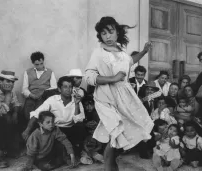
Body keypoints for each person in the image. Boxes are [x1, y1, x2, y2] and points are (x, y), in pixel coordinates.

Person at [84, 16, 154, 171]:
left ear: (117, 32)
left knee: (122, 132)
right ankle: (109, 166)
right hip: (106, 97)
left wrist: (143, 51)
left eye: (110, 32)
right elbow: (88, 76)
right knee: (115, 133)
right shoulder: (98, 53)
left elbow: (130, 61)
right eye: (103, 33)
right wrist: (112, 78)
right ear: (100, 36)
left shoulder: (121, 51)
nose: (107, 36)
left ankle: (111, 163)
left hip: (124, 97)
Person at [22, 76, 86, 154]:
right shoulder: (52, 100)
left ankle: (78, 151)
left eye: (70, 87)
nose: (68, 90)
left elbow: (78, 121)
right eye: (65, 87)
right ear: (59, 89)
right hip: (55, 131)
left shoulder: (77, 100)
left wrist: (76, 104)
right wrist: (27, 130)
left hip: (70, 130)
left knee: (81, 127)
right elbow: (36, 114)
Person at [22, 52, 57, 120]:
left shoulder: (50, 72)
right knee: (27, 113)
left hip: (44, 96)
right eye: (37, 64)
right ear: (33, 63)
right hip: (32, 96)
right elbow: (24, 88)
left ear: (43, 61)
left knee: (40, 112)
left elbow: (54, 87)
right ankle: (29, 127)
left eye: (41, 63)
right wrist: (31, 95)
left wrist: (44, 93)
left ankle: (39, 127)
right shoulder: (27, 72)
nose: (40, 66)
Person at [0, 70, 22, 156]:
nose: (11, 84)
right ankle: (3, 151)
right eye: (8, 81)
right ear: (0, 81)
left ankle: (16, 148)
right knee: (5, 119)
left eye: (12, 82)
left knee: (21, 116)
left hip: (8, 114)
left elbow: (16, 104)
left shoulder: (11, 91)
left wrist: (15, 113)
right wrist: (7, 95)